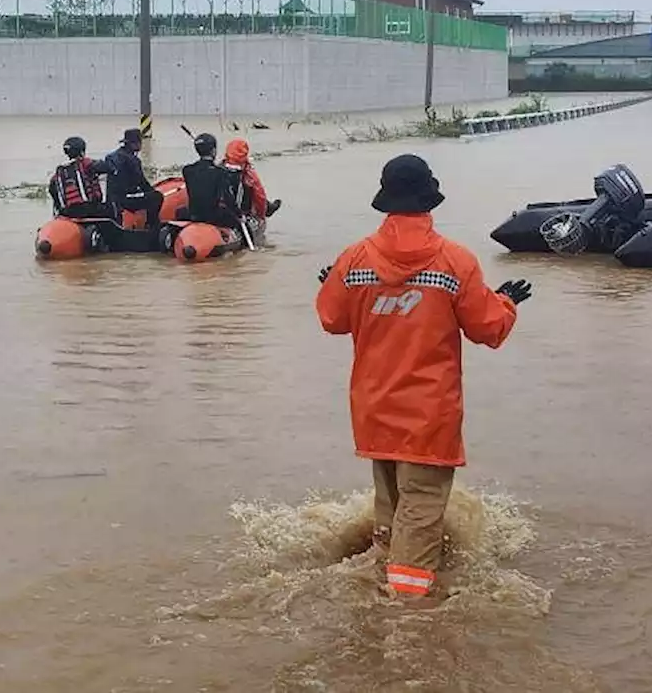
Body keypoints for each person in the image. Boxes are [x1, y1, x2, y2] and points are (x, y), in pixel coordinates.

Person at [314, 154, 532, 602]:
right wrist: (506, 303)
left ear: (386, 199)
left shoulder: (354, 258)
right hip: (428, 416)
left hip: (375, 410)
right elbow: (487, 329)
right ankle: (410, 617)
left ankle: (378, 587)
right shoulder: (456, 261)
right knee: (422, 514)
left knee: (391, 509)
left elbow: (331, 317)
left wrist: (337, 283)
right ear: (429, 199)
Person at [102, 128, 163, 228]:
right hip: (125, 199)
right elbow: (142, 182)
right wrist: (152, 191)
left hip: (112, 199)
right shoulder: (133, 160)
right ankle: (151, 225)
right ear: (134, 144)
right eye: (140, 142)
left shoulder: (111, 156)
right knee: (157, 197)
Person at [181, 132, 242, 227]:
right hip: (213, 216)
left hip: (193, 215)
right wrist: (239, 215)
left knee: (179, 211)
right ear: (213, 151)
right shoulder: (220, 172)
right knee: (236, 220)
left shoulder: (187, 170)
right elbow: (228, 198)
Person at [47, 136, 113, 219]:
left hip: (67, 212)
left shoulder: (59, 171)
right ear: (82, 151)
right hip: (88, 209)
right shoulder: (86, 163)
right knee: (113, 208)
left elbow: (52, 190)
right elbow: (107, 168)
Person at [221, 138, 282, 220]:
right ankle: (269, 208)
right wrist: (261, 216)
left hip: (218, 212)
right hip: (242, 214)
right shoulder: (248, 174)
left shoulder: (217, 169)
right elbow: (260, 196)